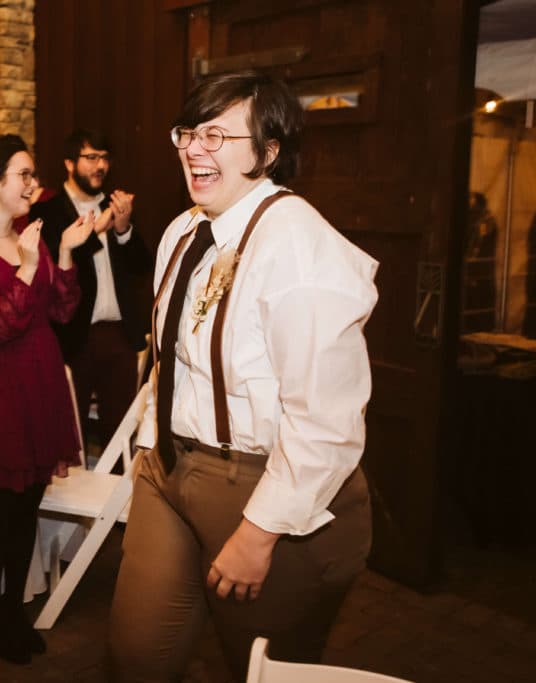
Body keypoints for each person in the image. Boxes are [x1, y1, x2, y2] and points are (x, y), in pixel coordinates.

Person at [110, 71, 378, 680]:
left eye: (217, 135)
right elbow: (169, 360)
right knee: (135, 658)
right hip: (169, 471)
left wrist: (261, 534)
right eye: (188, 133)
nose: (194, 149)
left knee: (258, 670)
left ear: (269, 151)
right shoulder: (182, 232)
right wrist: (151, 451)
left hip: (269, 491)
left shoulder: (301, 247)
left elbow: (327, 423)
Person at [0, 135, 89, 664]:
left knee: (26, 513)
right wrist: (21, 265)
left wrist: (60, 254)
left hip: (41, 387)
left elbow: (60, 311)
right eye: (23, 175)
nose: (33, 185)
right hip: (0, 392)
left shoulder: (31, 236)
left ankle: (12, 612)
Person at [29, 129, 151, 448]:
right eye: (91, 157)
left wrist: (123, 230)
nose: (100, 166)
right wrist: (97, 229)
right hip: (73, 335)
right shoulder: (49, 212)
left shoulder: (115, 205)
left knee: (120, 429)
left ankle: (115, 491)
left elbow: (141, 266)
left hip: (119, 334)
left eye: (104, 158)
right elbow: (59, 267)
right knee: (70, 430)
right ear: (69, 163)